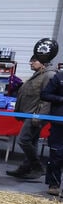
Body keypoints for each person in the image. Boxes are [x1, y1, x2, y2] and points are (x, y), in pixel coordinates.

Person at [7, 40, 57, 179]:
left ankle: (37, 167)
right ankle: (25, 167)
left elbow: (47, 99)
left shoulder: (49, 75)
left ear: (43, 62)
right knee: (32, 141)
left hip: (35, 115)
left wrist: (39, 117)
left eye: (34, 61)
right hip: (30, 114)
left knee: (23, 140)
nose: (30, 63)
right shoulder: (38, 74)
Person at [41, 61, 63, 196]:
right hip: (58, 123)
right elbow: (44, 94)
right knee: (56, 154)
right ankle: (53, 184)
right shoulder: (59, 77)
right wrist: (60, 99)